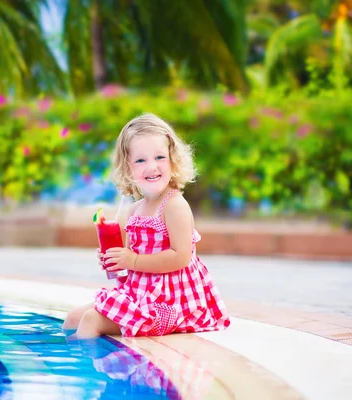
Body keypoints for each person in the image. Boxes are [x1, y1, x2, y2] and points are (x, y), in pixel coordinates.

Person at [63, 113, 230, 338]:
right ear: (128, 168)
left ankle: (81, 365)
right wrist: (116, 261)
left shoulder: (174, 206)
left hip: (170, 303)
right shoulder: (134, 210)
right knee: (73, 317)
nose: (151, 167)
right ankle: (71, 355)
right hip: (139, 293)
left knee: (92, 320)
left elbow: (181, 257)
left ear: (173, 160)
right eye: (140, 160)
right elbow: (131, 263)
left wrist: (132, 260)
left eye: (159, 157)